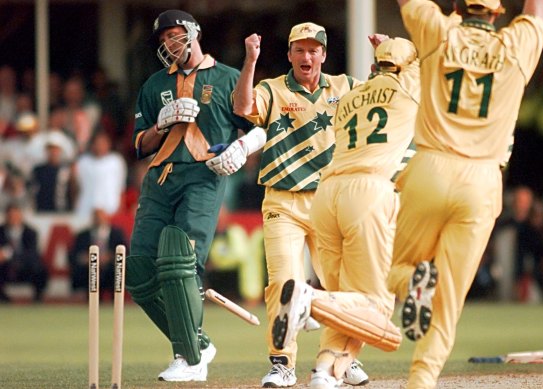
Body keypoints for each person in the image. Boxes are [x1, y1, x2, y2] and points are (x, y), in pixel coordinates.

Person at [384, 0, 543, 388]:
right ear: (497, 13)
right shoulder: (517, 43)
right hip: (481, 182)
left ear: (459, 7)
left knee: (385, 269)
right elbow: (539, 7)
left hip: (431, 166)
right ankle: (420, 382)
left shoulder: (438, 30)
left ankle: (412, 283)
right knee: (448, 305)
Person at [270, 37, 421, 388]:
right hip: (368, 193)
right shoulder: (408, 85)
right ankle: (309, 298)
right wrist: (397, 51)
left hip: (328, 194)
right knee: (376, 307)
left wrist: (386, 53)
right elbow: (425, 61)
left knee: (348, 309)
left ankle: (326, 371)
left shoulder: (351, 97)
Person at [226, 22, 368, 388]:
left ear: (323, 54)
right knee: (284, 283)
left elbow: (380, 104)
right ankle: (282, 364)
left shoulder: (345, 86)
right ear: (290, 54)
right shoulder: (272, 89)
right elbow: (242, 106)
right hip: (283, 202)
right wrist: (250, 60)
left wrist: (385, 62)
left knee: (339, 286)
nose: (307, 57)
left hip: (330, 203)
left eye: (314, 50)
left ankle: (342, 357)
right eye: (300, 50)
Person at [126, 9, 261, 383]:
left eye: (175, 33)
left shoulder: (228, 76)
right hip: (160, 178)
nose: (170, 42)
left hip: (204, 174)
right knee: (138, 271)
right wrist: (161, 123)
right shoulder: (155, 85)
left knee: (180, 260)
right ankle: (197, 342)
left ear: (193, 31)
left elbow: (260, 127)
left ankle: (188, 357)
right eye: (164, 38)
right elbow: (139, 144)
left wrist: (240, 150)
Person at [68, 208, 127, 300]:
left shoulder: (117, 234)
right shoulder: (83, 235)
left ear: (106, 218)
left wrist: (110, 257)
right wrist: (85, 259)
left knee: (115, 272)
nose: (98, 220)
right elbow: (74, 254)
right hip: (89, 270)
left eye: (100, 217)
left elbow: (125, 253)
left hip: (110, 268)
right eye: (95, 218)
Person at [0, 202, 47, 302]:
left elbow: (32, 253)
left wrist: (9, 255)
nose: (14, 218)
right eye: (11, 216)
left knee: (39, 268)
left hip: (25, 266)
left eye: (16, 215)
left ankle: (38, 297)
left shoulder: (31, 232)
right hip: (5, 268)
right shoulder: (1, 231)